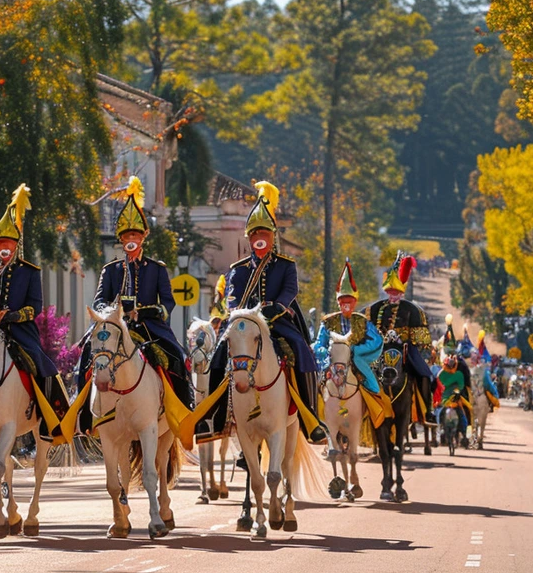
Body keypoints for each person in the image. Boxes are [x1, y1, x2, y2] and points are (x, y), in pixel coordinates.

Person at [192, 181, 327, 445]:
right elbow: (232, 299)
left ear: (273, 236)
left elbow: (290, 290)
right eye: (255, 234)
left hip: (277, 322)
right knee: (219, 353)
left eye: (264, 232)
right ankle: (215, 418)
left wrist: (276, 307)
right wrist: (240, 313)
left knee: (301, 349)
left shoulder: (286, 265)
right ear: (250, 239)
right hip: (246, 324)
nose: (259, 238)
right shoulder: (239, 269)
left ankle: (310, 418)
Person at [75, 176, 193, 432]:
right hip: (115, 325)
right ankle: (83, 416)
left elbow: (167, 303)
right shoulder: (111, 270)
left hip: (149, 325)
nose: (131, 239)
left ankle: (184, 412)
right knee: (85, 355)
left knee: (175, 356)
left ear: (143, 238)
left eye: (135, 235)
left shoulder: (157, 269)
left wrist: (145, 312)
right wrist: (114, 311)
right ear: (121, 238)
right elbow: (99, 300)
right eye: (127, 235)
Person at [0, 183, 69, 440]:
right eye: (0, 242)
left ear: (15, 245)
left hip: (20, 332)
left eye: (9, 242)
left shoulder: (29, 272)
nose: (4, 246)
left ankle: (51, 420)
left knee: (42, 366)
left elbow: (34, 308)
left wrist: (10, 317)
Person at [366, 252, 435, 422]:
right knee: (361, 372)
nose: (392, 296)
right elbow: (368, 330)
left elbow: (421, 338)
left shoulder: (412, 310)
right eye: (390, 292)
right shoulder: (376, 309)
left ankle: (427, 411)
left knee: (424, 374)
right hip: (380, 348)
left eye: (396, 292)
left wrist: (404, 339)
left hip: (405, 349)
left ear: (402, 293)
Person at [313, 259, 383, 396]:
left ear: (355, 303)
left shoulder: (362, 321)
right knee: (316, 385)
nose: (346, 306)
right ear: (338, 303)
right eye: (342, 303)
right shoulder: (328, 321)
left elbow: (376, 341)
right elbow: (318, 343)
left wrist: (356, 350)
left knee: (370, 381)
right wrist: (326, 351)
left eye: (349, 302)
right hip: (333, 360)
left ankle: (375, 397)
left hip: (355, 360)